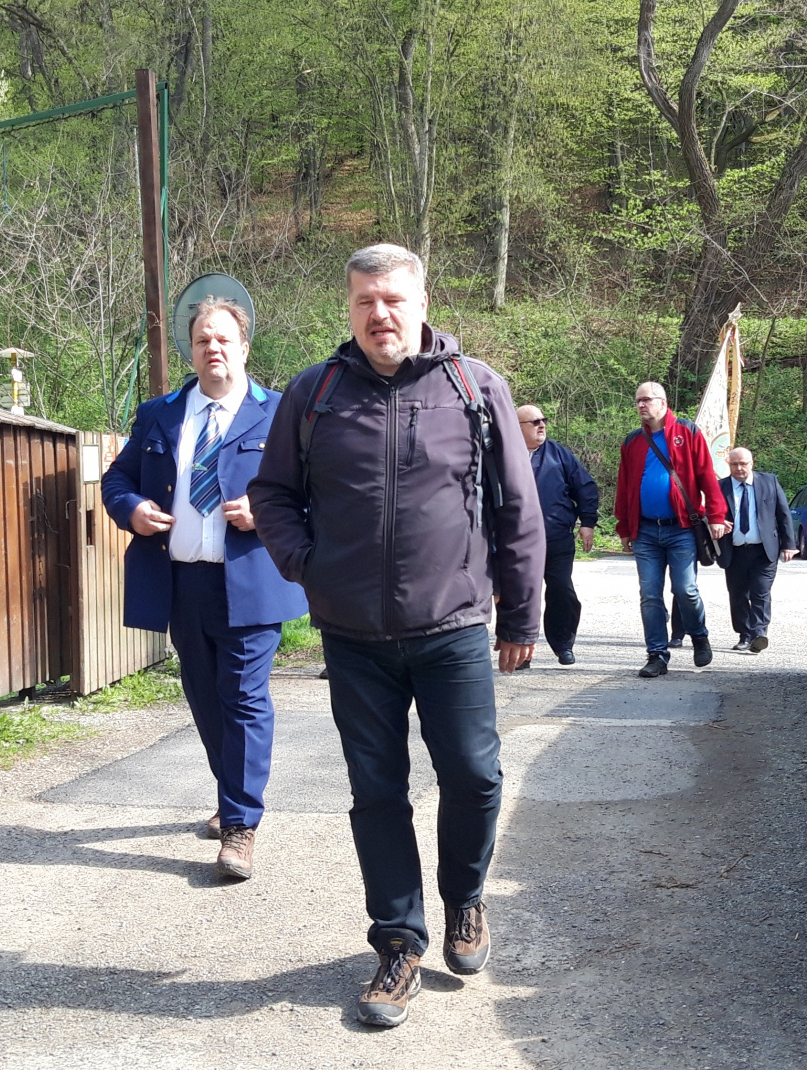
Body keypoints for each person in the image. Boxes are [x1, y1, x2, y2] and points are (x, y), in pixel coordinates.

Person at [249, 243, 544, 1029]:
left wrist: (521, 615)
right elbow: (272, 494)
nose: (379, 314)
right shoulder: (315, 393)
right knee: (377, 793)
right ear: (349, 309)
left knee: (474, 777)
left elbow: (518, 507)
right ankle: (398, 944)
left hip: (453, 628)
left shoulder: (473, 386)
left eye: (392, 300)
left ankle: (465, 898)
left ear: (421, 304)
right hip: (354, 638)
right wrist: (308, 566)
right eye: (365, 301)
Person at [101, 296, 307, 882]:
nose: (212, 348)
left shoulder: (280, 414)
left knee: (243, 697)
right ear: (190, 350)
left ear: (244, 347)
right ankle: (231, 793)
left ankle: (240, 826)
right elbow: (118, 478)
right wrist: (132, 508)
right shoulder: (159, 414)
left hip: (252, 582)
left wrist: (267, 515)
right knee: (205, 697)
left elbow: (319, 490)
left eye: (222, 339)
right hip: (181, 581)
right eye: (201, 340)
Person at [614, 381, 729, 678]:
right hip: (645, 531)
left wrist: (716, 515)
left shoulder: (687, 432)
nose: (641, 405)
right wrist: (624, 527)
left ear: (663, 403)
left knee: (685, 590)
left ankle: (699, 635)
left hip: (681, 529)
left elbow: (706, 475)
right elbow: (624, 486)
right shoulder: (632, 441)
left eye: (647, 400)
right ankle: (656, 655)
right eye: (638, 401)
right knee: (650, 595)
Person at [518, 404, 598, 665]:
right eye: (534, 422)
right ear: (516, 428)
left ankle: (563, 644)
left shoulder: (558, 454)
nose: (541, 425)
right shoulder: (504, 455)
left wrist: (587, 522)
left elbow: (585, 487)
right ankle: (522, 651)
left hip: (556, 538)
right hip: (517, 542)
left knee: (561, 591)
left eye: (543, 420)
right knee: (522, 597)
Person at [718, 447, 798, 653]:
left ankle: (759, 634)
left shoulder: (769, 482)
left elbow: (783, 514)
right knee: (737, 595)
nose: (739, 468)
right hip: (734, 551)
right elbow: (711, 513)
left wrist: (789, 545)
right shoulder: (721, 487)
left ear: (751, 463)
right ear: (729, 465)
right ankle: (744, 635)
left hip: (763, 550)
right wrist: (717, 521)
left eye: (743, 464)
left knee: (760, 592)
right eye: (734, 464)